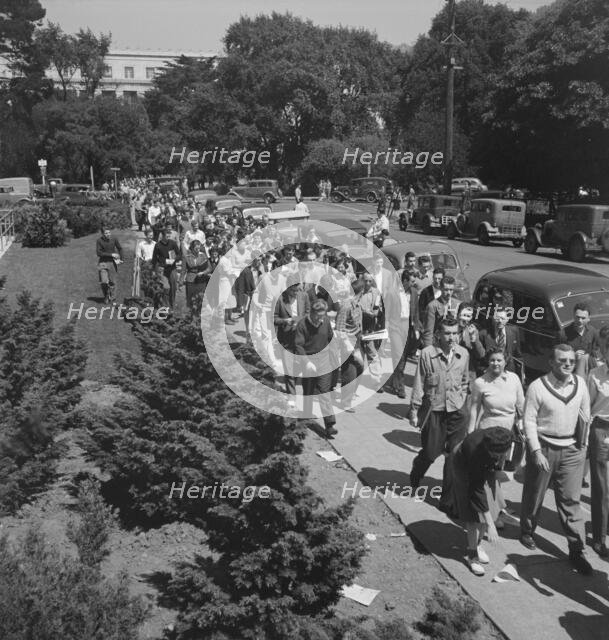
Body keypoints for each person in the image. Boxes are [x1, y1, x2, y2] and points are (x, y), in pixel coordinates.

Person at [520, 344, 592, 575]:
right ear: (551, 362)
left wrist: (584, 446)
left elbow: (585, 415)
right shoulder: (537, 387)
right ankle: (527, 530)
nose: (568, 364)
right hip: (544, 447)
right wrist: (536, 451)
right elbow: (529, 421)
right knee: (534, 494)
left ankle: (577, 549)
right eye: (563, 361)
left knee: (571, 501)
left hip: (571, 449)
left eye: (571, 360)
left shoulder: (580, 384)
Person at [409, 317, 470, 489]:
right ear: (438, 334)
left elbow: (465, 381)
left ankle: (448, 495)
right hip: (434, 410)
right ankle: (417, 471)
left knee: (454, 455)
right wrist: (414, 411)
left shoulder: (463, 354)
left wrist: (462, 400)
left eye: (455, 333)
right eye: (447, 333)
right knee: (430, 453)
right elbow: (419, 383)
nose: (452, 338)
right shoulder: (427, 354)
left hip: (457, 411)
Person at [443, 427, 513, 576]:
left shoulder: (503, 440)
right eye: (496, 454)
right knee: (473, 514)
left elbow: (498, 458)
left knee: (491, 504)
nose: (499, 456)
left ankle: (478, 544)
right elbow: (476, 491)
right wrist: (490, 524)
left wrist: (496, 470)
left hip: (484, 466)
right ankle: (472, 555)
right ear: (488, 448)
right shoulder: (474, 451)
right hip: (464, 466)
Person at [294, 299, 337, 438]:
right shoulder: (302, 325)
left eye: (323, 315)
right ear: (312, 313)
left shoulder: (326, 322)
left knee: (324, 392)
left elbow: (330, 338)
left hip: (324, 361)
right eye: (318, 315)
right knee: (308, 391)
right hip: (309, 361)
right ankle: (306, 416)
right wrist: (306, 362)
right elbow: (298, 345)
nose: (321, 318)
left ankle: (329, 425)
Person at [587, 327, 609, 558]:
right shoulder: (595, 375)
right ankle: (599, 538)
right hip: (601, 430)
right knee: (602, 487)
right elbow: (587, 409)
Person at [274, 274, 311, 401]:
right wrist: (286, 321)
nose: (296, 292)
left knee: (299, 367)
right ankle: (291, 397)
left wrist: (299, 321)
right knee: (289, 368)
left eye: (297, 289)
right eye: (293, 290)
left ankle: (292, 387)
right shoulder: (279, 299)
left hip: (301, 339)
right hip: (286, 339)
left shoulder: (304, 296)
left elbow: (308, 313)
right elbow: (274, 319)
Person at [387, 270, 421, 398]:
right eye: (412, 281)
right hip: (395, 327)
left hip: (408, 328)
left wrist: (417, 328)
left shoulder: (414, 292)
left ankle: (393, 380)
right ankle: (400, 388)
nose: (414, 283)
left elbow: (416, 312)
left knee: (404, 357)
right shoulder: (392, 293)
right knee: (399, 357)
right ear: (405, 281)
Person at [335, 280, 365, 412]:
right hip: (348, 344)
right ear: (362, 291)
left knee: (360, 369)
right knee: (350, 372)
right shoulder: (346, 306)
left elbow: (357, 323)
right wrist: (349, 348)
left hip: (357, 341)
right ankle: (346, 402)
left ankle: (350, 395)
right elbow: (340, 329)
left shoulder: (357, 305)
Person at [479, 309, 523, 378]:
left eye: (502, 318)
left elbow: (518, 355)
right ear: (493, 319)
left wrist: (521, 373)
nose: (500, 321)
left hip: (509, 372)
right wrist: (484, 370)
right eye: (497, 318)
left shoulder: (514, 331)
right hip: (490, 372)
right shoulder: (483, 334)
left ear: (507, 319)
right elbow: (480, 356)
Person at [560, 303, 600, 378]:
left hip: (588, 372)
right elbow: (557, 356)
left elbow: (597, 351)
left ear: (588, 319)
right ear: (573, 316)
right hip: (570, 373)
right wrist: (573, 355)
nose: (579, 320)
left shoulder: (593, 332)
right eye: (577, 317)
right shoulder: (563, 334)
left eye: (583, 318)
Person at [422, 275, 459, 347]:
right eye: (446, 289)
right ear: (440, 288)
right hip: (438, 343)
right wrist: (429, 351)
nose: (449, 293)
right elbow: (428, 332)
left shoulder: (457, 304)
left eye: (451, 290)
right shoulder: (432, 306)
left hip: (454, 343)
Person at [152, 225, 181, 309]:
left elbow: (179, 254)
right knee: (166, 287)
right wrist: (154, 269)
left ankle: (172, 304)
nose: (168, 237)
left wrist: (175, 259)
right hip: (162, 268)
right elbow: (154, 258)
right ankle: (165, 305)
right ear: (162, 236)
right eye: (166, 236)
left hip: (172, 268)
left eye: (169, 236)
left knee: (173, 287)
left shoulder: (173, 243)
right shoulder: (158, 245)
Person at [96, 227, 123, 304]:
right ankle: (106, 295)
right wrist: (111, 254)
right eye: (106, 233)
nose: (108, 234)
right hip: (103, 263)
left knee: (112, 282)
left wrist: (121, 258)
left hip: (112, 263)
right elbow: (99, 253)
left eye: (109, 232)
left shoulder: (114, 239)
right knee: (104, 281)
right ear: (102, 234)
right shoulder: (99, 241)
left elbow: (120, 248)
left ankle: (113, 298)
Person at [179, 240, 209, 310]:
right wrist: (180, 282)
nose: (198, 250)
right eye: (196, 249)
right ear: (192, 248)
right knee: (190, 299)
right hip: (190, 280)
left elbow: (209, 268)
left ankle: (200, 317)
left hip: (201, 280)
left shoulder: (203, 256)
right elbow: (183, 271)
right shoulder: (186, 257)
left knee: (201, 299)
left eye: (199, 248)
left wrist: (203, 272)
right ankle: (190, 316)